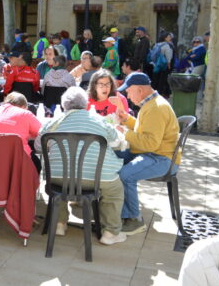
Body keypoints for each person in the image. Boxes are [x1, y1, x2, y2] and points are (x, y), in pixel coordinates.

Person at [34, 86, 126, 244]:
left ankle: (59, 224)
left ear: (64, 105)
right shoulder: (99, 120)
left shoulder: (53, 123)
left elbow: (38, 146)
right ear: (86, 104)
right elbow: (117, 142)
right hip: (96, 177)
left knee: (62, 181)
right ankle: (110, 233)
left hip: (57, 178)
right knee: (114, 191)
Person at [116, 72, 180, 235]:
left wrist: (125, 132)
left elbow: (151, 142)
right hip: (155, 154)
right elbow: (145, 128)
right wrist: (127, 120)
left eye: (129, 91)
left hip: (162, 159)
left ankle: (134, 220)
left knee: (125, 175)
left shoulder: (156, 108)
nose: (128, 96)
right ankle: (119, 211)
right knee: (114, 159)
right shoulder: (152, 104)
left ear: (139, 89)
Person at [150, 32, 174, 98]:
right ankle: (160, 93)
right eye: (169, 37)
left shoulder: (156, 44)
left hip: (156, 64)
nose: (170, 38)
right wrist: (169, 64)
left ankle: (154, 92)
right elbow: (168, 55)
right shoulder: (166, 45)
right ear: (165, 38)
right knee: (163, 79)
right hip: (163, 64)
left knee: (155, 79)